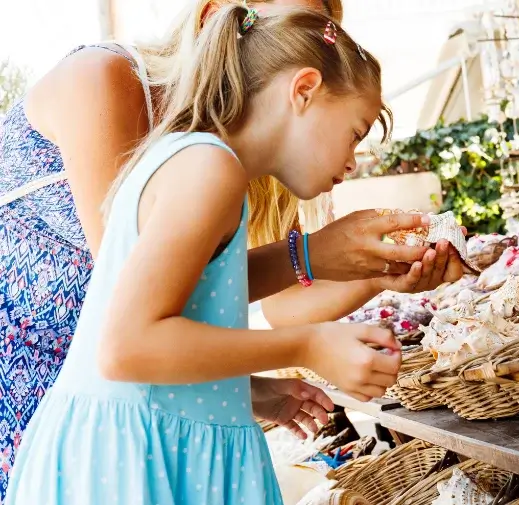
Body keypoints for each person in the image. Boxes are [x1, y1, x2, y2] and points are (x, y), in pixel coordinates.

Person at [0, 0, 462, 498]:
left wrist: (371, 271)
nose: (353, 162)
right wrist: (307, 345)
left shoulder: (215, 164)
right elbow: (125, 340)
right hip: (86, 414)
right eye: (355, 134)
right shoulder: (205, 165)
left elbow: (206, 298)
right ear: (303, 88)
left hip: (152, 419)